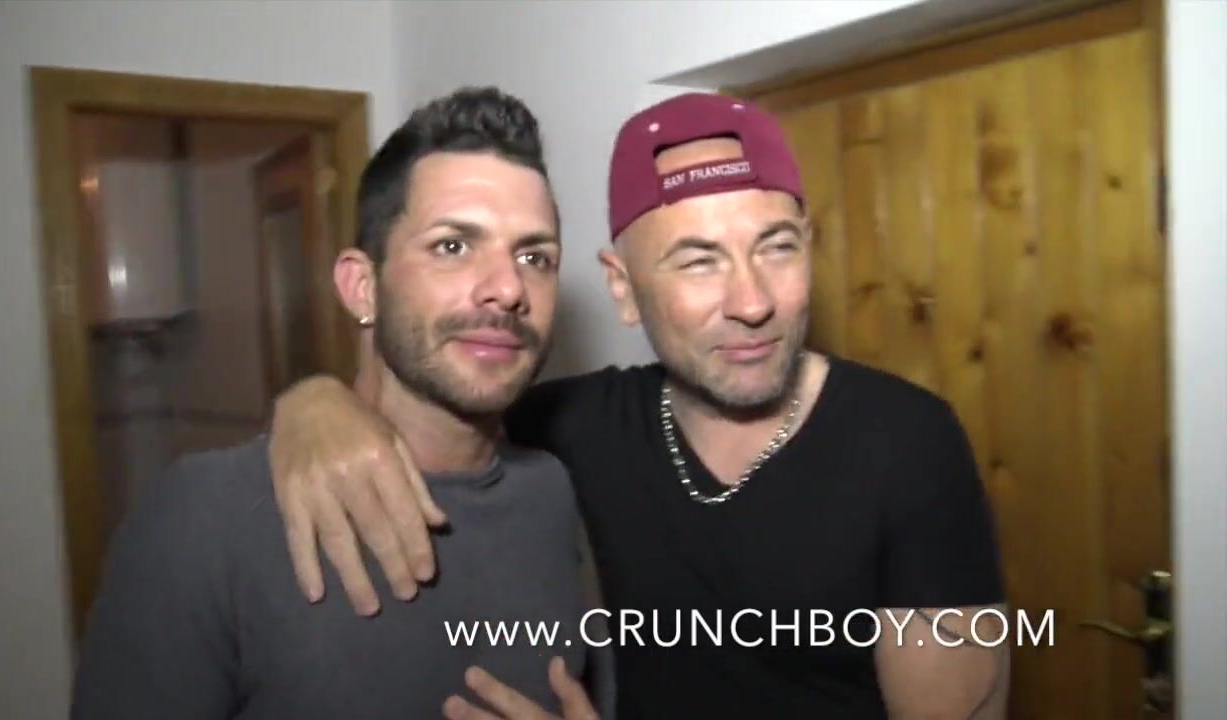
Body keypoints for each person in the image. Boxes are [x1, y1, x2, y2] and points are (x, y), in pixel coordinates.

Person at [269, 93, 1010, 719]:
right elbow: (430, 401)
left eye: (777, 247)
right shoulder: (570, 431)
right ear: (622, 288)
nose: (753, 301)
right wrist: (313, 403)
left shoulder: (905, 443)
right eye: (698, 261)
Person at [71, 87, 611, 720]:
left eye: (534, 256)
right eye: (453, 246)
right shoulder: (203, 520)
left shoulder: (552, 493)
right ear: (362, 287)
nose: (508, 288)